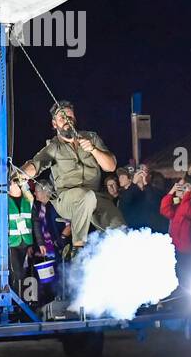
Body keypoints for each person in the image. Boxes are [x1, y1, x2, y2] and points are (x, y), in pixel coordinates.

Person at [21, 101, 123, 251]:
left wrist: (94, 150)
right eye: (62, 118)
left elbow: (111, 166)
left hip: (96, 196)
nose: (67, 120)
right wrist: (18, 174)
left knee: (120, 229)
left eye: (70, 117)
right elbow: (35, 165)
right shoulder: (53, 147)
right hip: (67, 198)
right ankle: (77, 248)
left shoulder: (91, 138)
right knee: (86, 196)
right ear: (54, 124)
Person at [160, 173, 191, 289]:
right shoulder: (178, 205)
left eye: (188, 187)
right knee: (180, 279)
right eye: (183, 188)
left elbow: (186, 211)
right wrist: (172, 192)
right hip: (177, 249)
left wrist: (187, 195)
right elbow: (164, 209)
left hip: (190, 251)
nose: (184, 190)